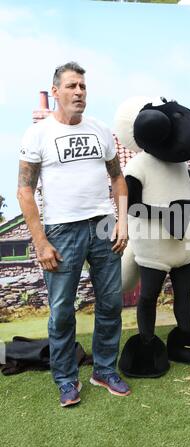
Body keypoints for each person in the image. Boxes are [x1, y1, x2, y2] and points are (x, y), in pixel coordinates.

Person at [17, 62, 130, 407]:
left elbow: (118, 179)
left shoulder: (100, 130)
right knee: (63, 310)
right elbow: (25, 191)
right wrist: (40, 241)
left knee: (111, 303)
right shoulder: (37, 134)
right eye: (71, 86)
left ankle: (105, 369)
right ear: (55, 92)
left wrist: (122, 221)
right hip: (61, 230)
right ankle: (66, 379)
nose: (79, 92)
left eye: (82, 86)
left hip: (102, 224)